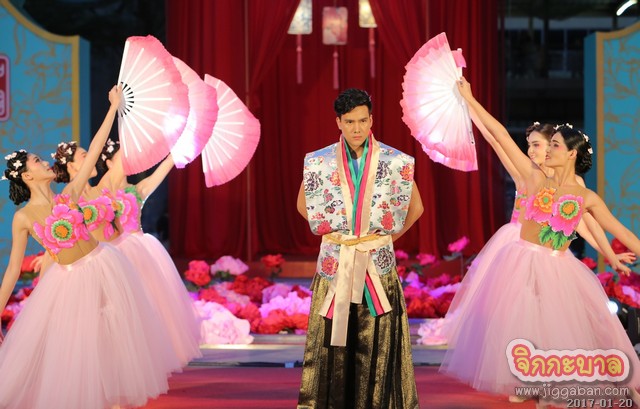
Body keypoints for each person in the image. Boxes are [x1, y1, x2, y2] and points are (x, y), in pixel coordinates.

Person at [440, 77, 640, 408]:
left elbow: (618, 231)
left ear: (571, 154)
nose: (547, 150)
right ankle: (530, 379)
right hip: (521, 259)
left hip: (558, 267)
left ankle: (611, 383)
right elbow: (500, 135)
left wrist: (613, 255)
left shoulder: (585, 196)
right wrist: (471, 100)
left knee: (570, 324)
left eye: (555, 145)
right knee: (524, 320)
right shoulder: (533, 177)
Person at [0, 86, 178, 409]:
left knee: (115, 330)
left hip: (104, 264)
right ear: (26, 176)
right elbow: (13, 269)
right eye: (37, 162)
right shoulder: (23, 218)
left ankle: (115, 397)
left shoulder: (69, 193)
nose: (44, 162)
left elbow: (95, 150)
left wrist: (112, 107)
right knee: (81, 341)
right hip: (69, 279)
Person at [296, 88, 423, 409]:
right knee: (333, 345)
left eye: (363, 121)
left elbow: (416, 208)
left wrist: (384, 239)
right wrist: (336, 234)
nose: (357, 128)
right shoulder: (320, 161)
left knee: (376, 343)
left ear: (372, 120)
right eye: (350, 121)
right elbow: (302, 205)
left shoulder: (394, 161)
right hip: (336, 264)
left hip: (376, 266)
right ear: (338, 122)